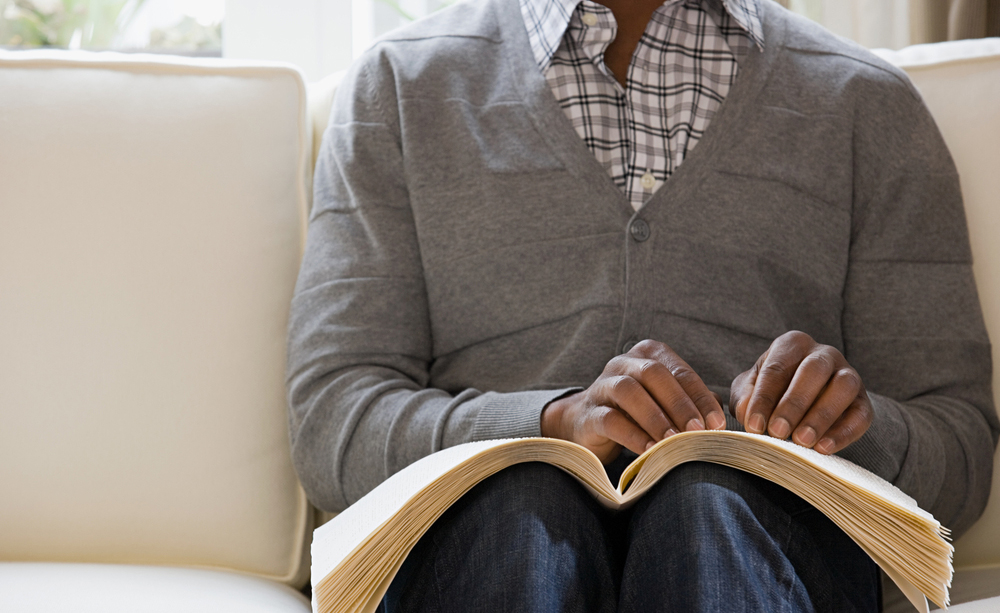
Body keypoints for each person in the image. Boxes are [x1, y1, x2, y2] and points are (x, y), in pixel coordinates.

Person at [286, 0, 999, 609]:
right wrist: (546, 424)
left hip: (767, 546)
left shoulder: (868, 103)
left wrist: (841, 426)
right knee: (520, 505)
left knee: (707, 503)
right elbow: (331, 421)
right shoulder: (398, 89)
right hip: (491, 550)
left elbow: (960, 450)